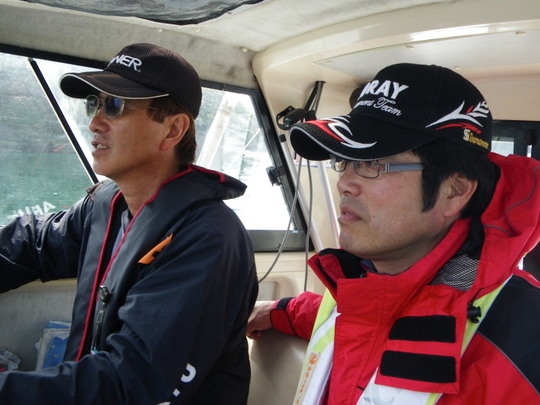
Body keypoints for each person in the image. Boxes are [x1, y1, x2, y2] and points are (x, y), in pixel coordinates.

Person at [247, 63, 540, 404]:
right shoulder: (360, 283)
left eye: (373, 164)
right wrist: (277, 311)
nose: (344, 183)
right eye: (346, 161)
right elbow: (366, 318)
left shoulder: (527, 341)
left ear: (454, 191)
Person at [0, 43, 258, 404]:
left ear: (172, 130)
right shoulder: (106, 205)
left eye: (115, 105)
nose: (94, 122)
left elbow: (130, 384)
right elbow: (32, 244)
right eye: (95, 103)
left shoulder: (208, 237)